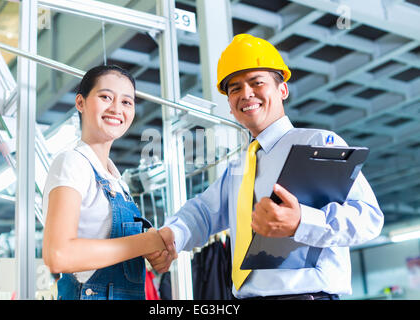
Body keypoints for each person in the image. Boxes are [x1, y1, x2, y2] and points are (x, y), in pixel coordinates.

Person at [145, 34, 384, 300]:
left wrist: (302, 222)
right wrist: (171, 236)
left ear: (282, 89)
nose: (246, 93)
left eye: (256, 82)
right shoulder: (239, 167)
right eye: (235, 88)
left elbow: (368, 219)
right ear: (230, 105)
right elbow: (203, 212)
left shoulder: (317, 143)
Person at [42, 65, 165, 300]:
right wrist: (144, 242)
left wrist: (155, 250)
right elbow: (58, 254)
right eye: (106, 97)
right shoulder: (72, 162)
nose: (116, 108)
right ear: (81, 102)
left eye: (127, 102)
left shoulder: (118, 182)